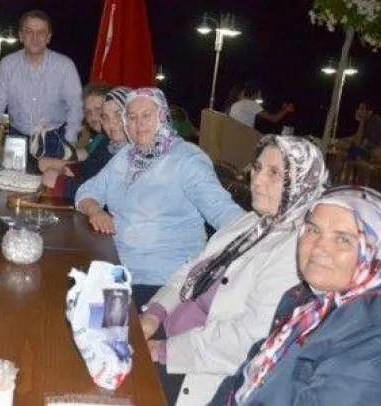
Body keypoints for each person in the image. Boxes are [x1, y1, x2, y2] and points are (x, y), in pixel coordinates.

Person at [139, 135, 328, 405]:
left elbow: (248, 339)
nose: (257, 180)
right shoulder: (251, 223)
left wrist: (163, 350)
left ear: (302, 183)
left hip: (194, 368)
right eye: (258, 167)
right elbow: (189, 271)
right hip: (165, 333)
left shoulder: (295, 251)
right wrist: (154, 314)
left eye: (274, 173)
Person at [75, 87, 245, 307]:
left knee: (97, 317)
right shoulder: (126, 156)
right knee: (68, 297)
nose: (138, 124)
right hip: (119, 267)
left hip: (163, 281)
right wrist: (95, 210)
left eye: (146, 115)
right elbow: (87, 190)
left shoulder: (187, 159)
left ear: (162, 116)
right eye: (132, 117)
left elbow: (224, 212)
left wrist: (266, 239)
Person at [211, 186, 381, 405]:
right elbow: (243, 381)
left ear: (374, 251)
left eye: (343, 240)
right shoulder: (304, 304)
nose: (318, 248)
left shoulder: (370, 335)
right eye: (313, 230)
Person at [0, 10, 83, 159]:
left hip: (55, 138)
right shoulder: (7, 65)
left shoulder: (65, 66)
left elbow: (75, 106)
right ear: (21, 36)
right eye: (29, 31)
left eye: (41, 32)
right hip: (17, 137)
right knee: (10, 175)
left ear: (48, 37)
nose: (35, 37)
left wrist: (70, 142)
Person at [42, 86, 130, 200]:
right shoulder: (109, 143)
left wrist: (62, 184)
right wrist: (71, 170)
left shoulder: (135, 153)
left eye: (118, 115)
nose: (111, 123)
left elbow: (109, 196)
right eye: (106, 117)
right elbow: (88, 168)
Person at [229, 81, 294, 129]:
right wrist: (286, 109)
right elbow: (274, 119)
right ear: (256, 93)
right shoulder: (252, 104)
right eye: (259, 93)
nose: (260, 96)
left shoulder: (236, 104)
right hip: (243, 135)